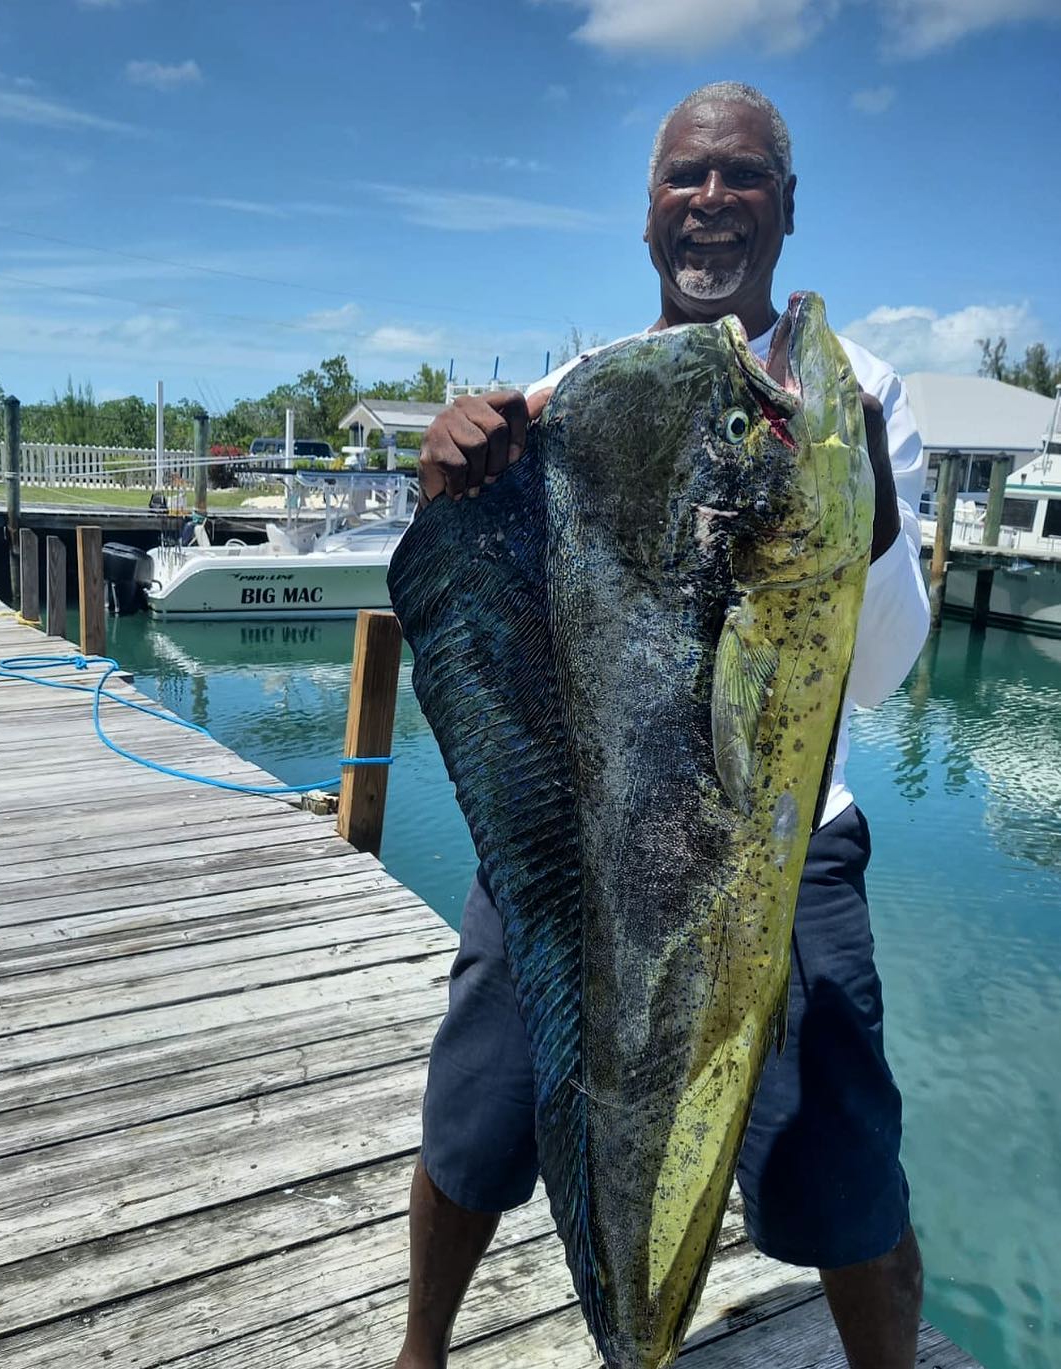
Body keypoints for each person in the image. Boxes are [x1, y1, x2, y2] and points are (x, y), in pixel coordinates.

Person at [395, 82, 931, 1369]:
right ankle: (419, 1352)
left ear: (787, 208)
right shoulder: (575, 394)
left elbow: (875, 675)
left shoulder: (853, 398)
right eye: (686, 176)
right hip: (577, 844)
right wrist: (448, 480)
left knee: (844, 1168)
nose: (711, 200)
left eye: (742, 176)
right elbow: (481, 624)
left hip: (777, 840)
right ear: (646, 213)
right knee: (476, 1116)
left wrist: (851, 488)